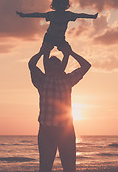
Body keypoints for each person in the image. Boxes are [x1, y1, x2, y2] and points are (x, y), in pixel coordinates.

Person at [28, 42, 91, 172]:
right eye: (52, 64)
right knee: (45, 167)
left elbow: (86, 66)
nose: (55, 67)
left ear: (61, 67)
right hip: (47, 130)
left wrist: (70, 52)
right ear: (48, 68)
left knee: (69, 168)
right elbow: (31, 65)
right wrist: (42, 52)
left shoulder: (67, 80)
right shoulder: (42, 80)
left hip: (66, 131)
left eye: (57, 64)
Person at [16, 0, 98, 51]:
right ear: (55, 6)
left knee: (68, 52)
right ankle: (47, 71)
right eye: (59, 5)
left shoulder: (68, 15)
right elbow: (38, 14)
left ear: (66, 6)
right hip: (49, 38)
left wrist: (92, 16)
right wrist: (24, 15)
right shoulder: (51, 15)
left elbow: (81, 15)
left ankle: (61, 71)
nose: (61, 7)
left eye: (62, 5)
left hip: (60, 39)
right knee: (44, 52)